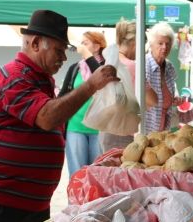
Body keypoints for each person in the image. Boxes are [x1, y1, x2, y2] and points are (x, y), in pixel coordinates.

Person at [0, 10, 119, 222]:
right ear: (36, 43)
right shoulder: (13, 75)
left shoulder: (41, 79)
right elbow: (46, 117)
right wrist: (91, 85)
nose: (64, 57)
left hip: (30, 205)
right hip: (2, 205)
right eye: (59, 50)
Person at [98, 19, 157, 152]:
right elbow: (153, 100)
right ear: (136, 44)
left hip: (106, 131)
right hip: (123, 134)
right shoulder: (132, 66)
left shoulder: (109, 62)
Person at [59, 31, 106, 176]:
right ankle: (75, 200)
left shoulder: (106, 66)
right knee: (77, 175)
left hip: (99, 130)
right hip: (75, 127)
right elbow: (63, 95)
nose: (81, 46)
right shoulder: (75, 68)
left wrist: (87, 54)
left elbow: (100, 77)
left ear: (97, 46)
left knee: (97, 175)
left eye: (85, 43)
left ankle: (96, 201)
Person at [144, 22, 182, 133]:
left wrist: (176, 97)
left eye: (168, 44)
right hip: (146, 127)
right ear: (151, 44)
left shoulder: (169, 66)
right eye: (160, 43)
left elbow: (173, 87)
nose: (164, 47)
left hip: (164, 125)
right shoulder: (144, 64)